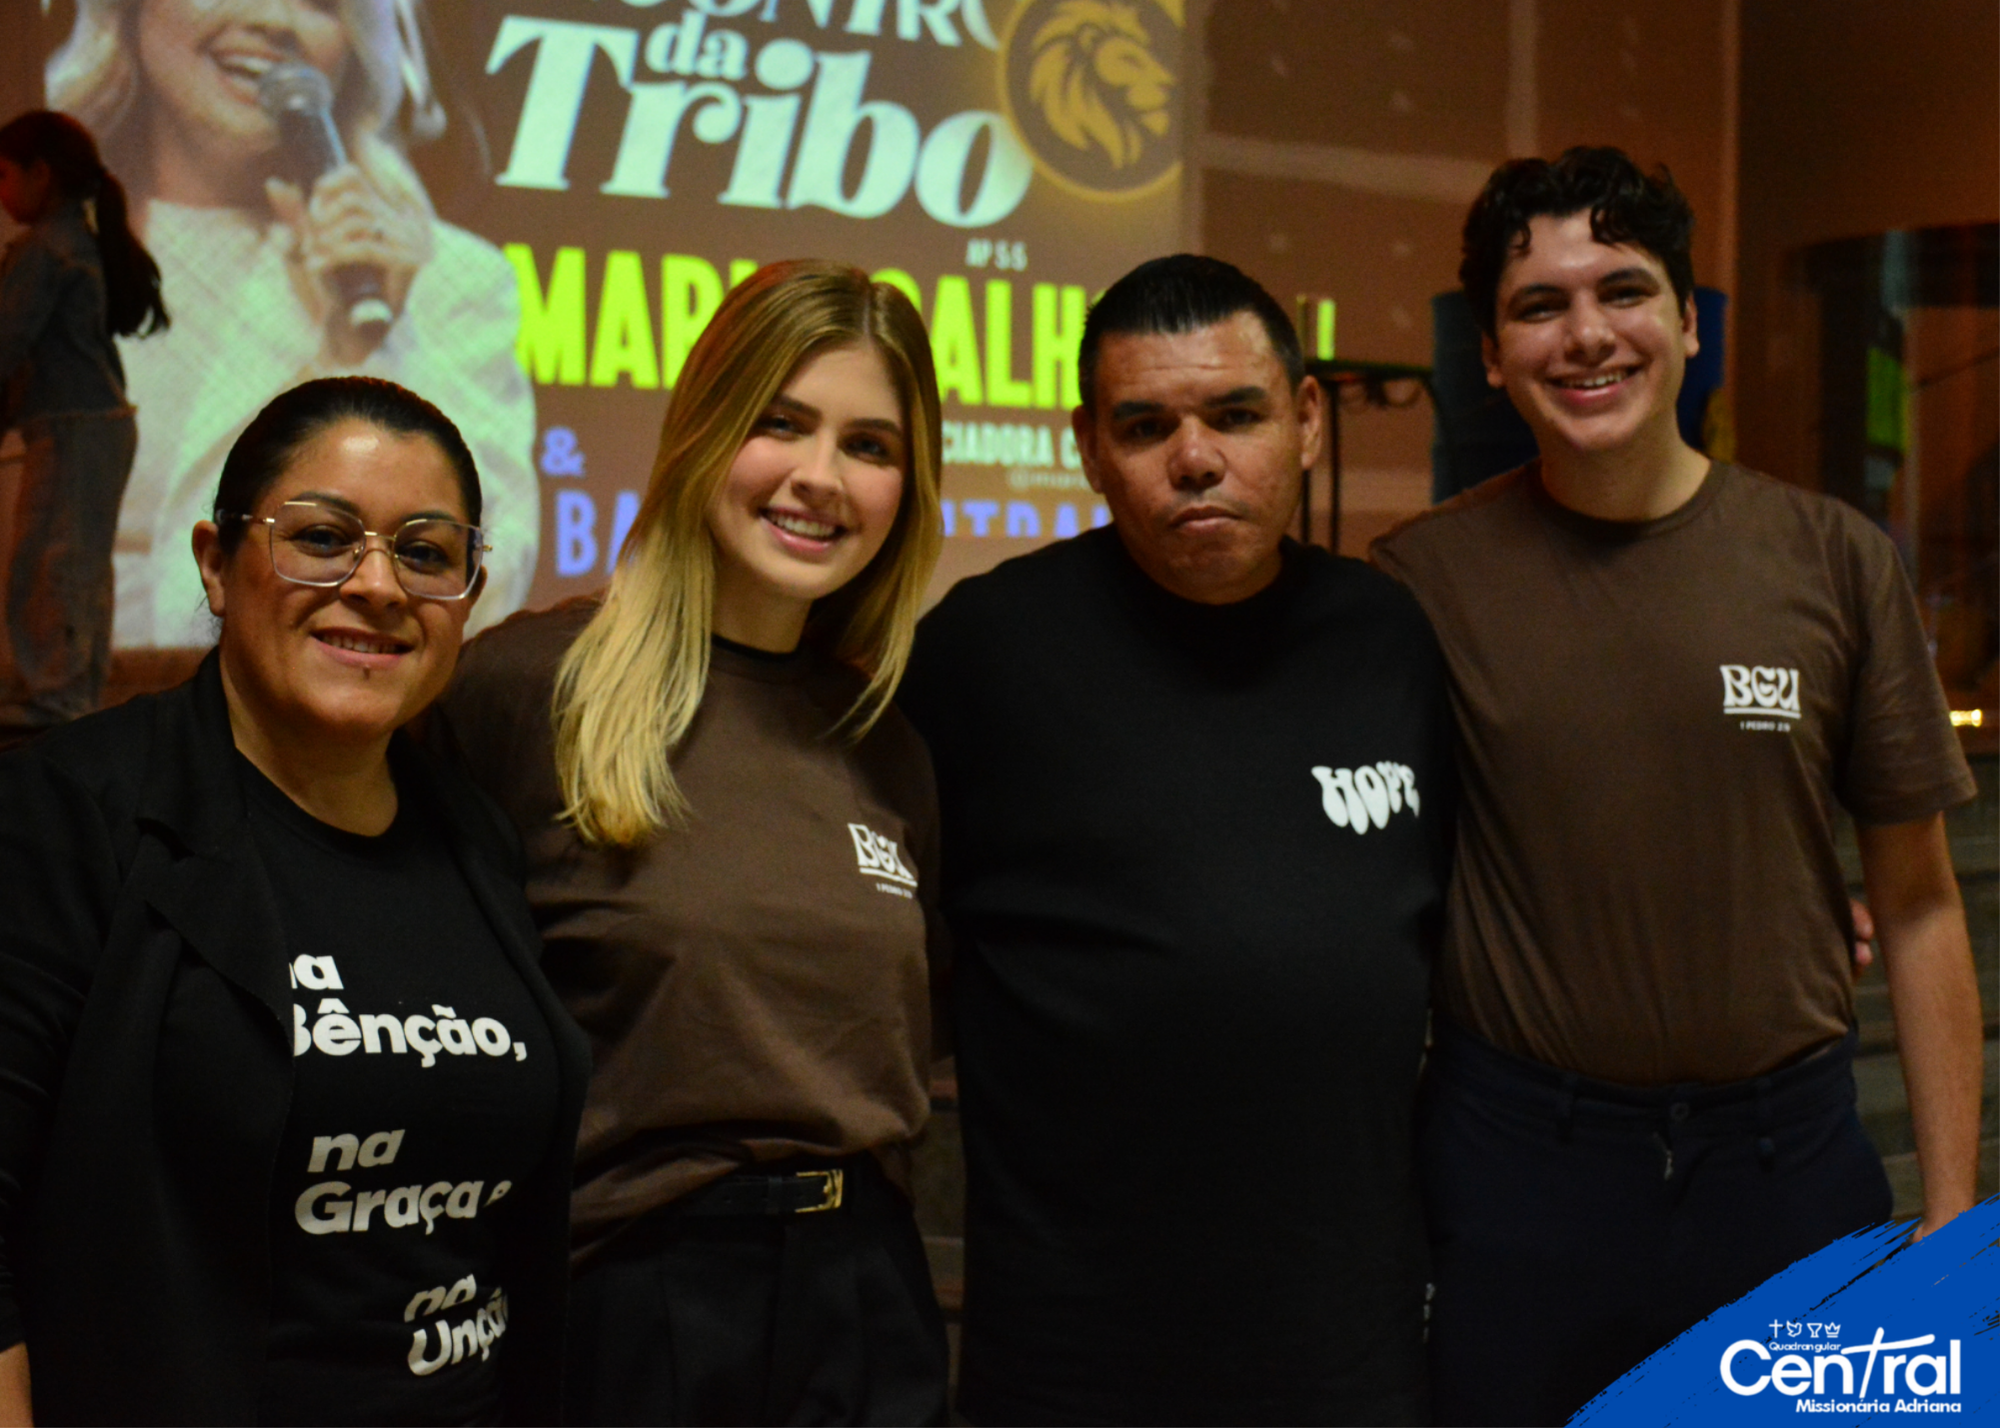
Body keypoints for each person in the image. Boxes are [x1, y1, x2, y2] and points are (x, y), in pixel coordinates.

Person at [1372, 146, 1984, 1427]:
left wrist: (1946, 1224)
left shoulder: (1832, 562)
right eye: (1538, 306)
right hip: (1517, 1170)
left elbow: (1919, 902)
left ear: (1688, 323)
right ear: (1488, 354)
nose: (1586, 335)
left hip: (1784, 1170)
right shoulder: (1417, 586)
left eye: (1624, 291)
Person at [896, 254, 1456, 1425]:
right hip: (1073, 1363)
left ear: (1306, 421)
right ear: (1088, 447)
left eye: (1235, 416)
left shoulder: (1388, 640)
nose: (1193, 458)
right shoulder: (986, 651)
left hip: (1346, 1351)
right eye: (1145, 425)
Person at [0, 375, 590, 1424]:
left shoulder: (478, 839)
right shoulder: (70, 815)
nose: (378, 585)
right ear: (215, 564)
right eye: (322, 538)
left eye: (426, 553)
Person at [427, 260, 953, 1425]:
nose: (820, 477)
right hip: (632, 1297)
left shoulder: (887, 744)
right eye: (781, 423)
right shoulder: (527, 690)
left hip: (866, 1300)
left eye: (868, 445)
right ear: (706, 427)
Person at [46, 0, 539, 648]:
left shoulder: (442, 276)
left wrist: (374, 349)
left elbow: (485, 586)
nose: (274, 19)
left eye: (320, 3)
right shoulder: (38, 251)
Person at [0, 109, 166, 740]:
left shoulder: (47, 248)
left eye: (4, 175)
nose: (1, 191)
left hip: (77, 427)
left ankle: (57, 699)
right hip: (91, 426)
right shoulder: (73, 242)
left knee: (54, 564)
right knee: (74, 562)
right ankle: (70, 693)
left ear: (40, 174)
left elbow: (5, 344)